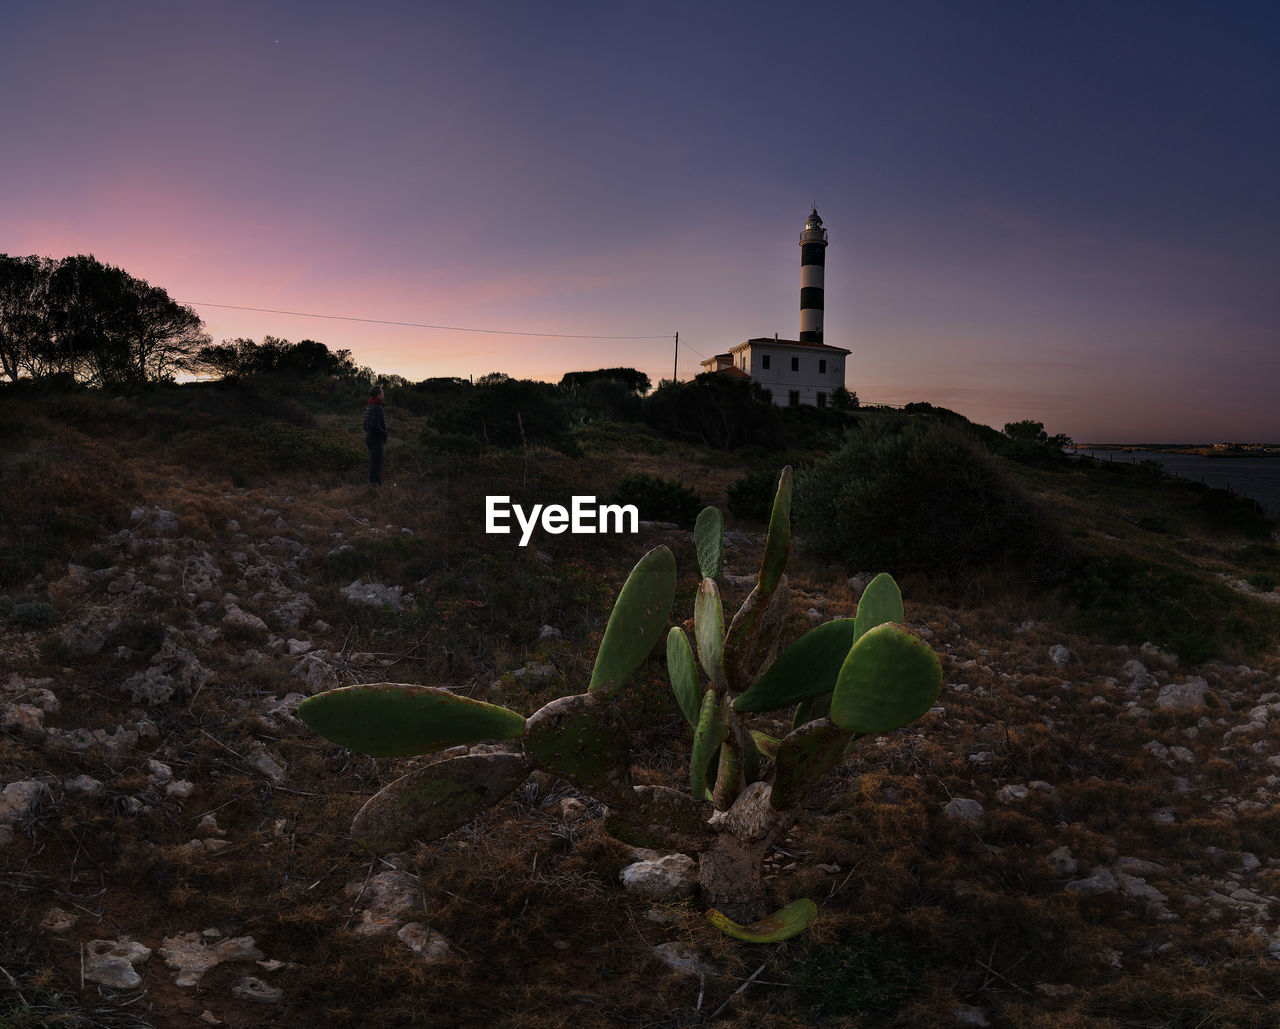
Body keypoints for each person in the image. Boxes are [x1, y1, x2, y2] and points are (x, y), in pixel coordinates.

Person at [363, 384, 387, 484]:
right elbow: (375, 425)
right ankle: (374, 486)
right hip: (375, 439)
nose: (383, 393)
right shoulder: (377, 407)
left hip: (369, 438)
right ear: (378, 394)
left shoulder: (370, 405)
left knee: (375, 463)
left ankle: (376, 484)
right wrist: (384, 433)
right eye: (382, 392)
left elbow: (364, 425)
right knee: (376, 463)